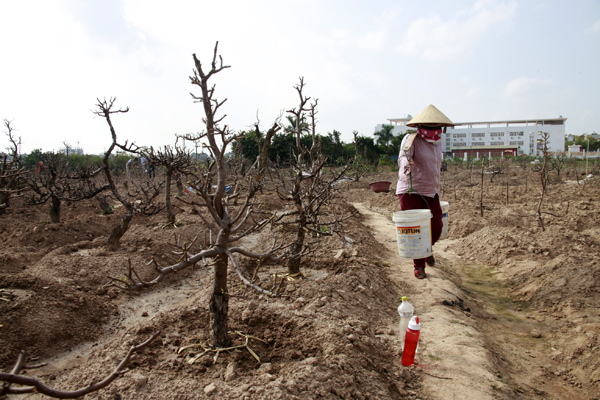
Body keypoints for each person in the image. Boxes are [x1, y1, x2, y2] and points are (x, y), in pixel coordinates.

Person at [396, 104, 453, 279]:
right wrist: (407, 165)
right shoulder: (411, 139)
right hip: (411, 190)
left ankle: (426, 250)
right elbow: (404, 156)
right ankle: (419, 266)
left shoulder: (437, 143)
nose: (434, 131)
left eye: (437, 127)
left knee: (436, 228)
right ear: (421, 127)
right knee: (416, 230)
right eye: (430, 127)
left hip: (431, 191)